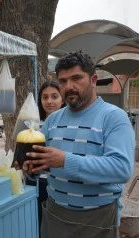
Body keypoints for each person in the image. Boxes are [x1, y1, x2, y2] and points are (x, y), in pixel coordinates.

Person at [25, 51, 134, 238]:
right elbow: (42, 163)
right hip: (55, 214)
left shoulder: (114, 117)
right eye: (63, 81)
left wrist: (65, 161)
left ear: (93, 80)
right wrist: (31, 169)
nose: (69, 87)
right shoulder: (53, 120)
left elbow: (121, 169)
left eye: (76, 78)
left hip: (97, 219)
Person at [27, 80, 65, 236]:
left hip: (58, 185)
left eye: (54, 96)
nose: (49, 101)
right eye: (45, 97)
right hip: (36, 182)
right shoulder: (32, 124)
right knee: (38, 223)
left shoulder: (68, 124)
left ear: (62, 98)